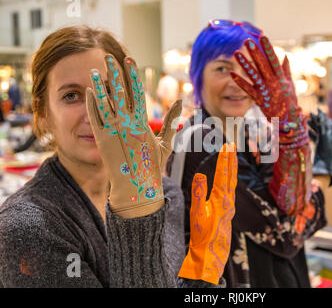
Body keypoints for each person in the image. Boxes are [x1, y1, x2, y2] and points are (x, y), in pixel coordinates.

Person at [0, 26, 235, 287]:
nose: (95, 113)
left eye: (109, 92)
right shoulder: (28, 228)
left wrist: (202, 276)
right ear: (42, 112)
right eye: (72, 96)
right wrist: (137, 216)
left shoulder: (165, 194)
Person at [167, 19, 332, 288]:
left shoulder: (253, 132)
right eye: (223, 68)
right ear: (198, 75)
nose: (238, 83)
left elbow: (289, 206)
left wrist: (292, 140)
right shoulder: (200, 142)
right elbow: (284, 233)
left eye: (249, 70)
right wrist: (321, 177)